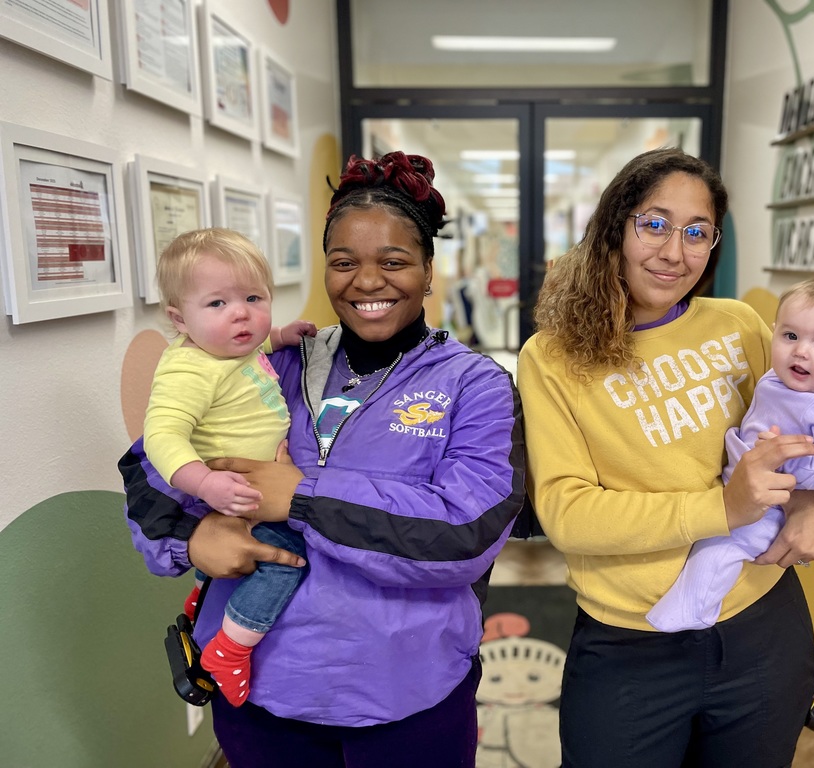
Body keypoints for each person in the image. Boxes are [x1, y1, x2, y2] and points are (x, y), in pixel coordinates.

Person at [120, 151, 525, 768]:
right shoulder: (268, 363)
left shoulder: (476, 385)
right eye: (344, 262)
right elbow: (149, 469)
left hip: (407, 692)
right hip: (261, 691)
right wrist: (190, 539)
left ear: (428, 270)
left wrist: (301, 496)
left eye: (394, 261)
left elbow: (465, 533)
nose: (367, 281)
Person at [516, 147, 814, 768]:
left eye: (697, 232)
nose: (675, 252)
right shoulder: (553, 357)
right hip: (631, 641)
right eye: (654, 224)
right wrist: (723, 508)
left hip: (763, 620)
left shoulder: (740, 325)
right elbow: (567, 513)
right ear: (615, 228)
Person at [647, 276, 814, 633]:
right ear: (774, 332)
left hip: (773, 502)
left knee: (720, 550)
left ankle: (690, 611)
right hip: (742, 481)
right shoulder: (778, 378)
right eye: (790, 336)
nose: (801, 351)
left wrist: (794, 466)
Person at [145, 227, 316, 705]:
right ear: (180, 319)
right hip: (236, 495)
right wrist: (205, 483)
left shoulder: (229, 346)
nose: (241, 313)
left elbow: (257, 349)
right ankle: (231, 650)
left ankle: (200, 596)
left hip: (251, 490)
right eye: (217, 303)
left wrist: (280, 336)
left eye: (253, 298)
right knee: (284, 562)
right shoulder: (190, 368)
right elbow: (161, 435)